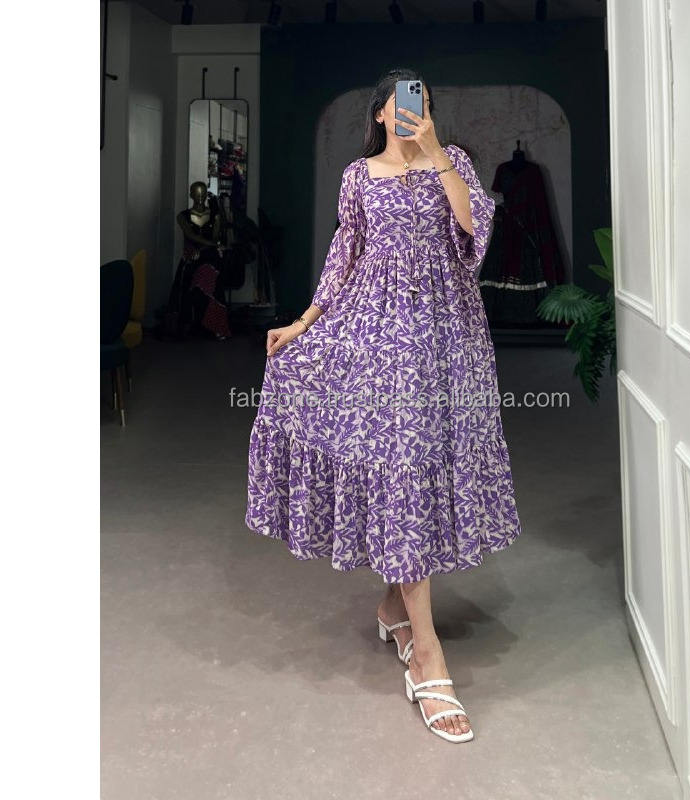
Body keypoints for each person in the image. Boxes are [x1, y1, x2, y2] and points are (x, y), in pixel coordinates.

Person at [245, 68, 522, 743]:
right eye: (400, 105)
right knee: (400, 474)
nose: (410, 113)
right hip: (376, 339)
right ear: (378, 114)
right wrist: (303, 323)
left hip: (446, 341)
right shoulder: (358, 177)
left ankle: (396, 610)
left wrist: (435, 152)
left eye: (421, 104)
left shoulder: (451, 164)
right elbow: (344, 259)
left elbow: (473, 230)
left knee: (421, 471)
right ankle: (428, 656)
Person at [165, 181, 232, 341]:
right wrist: (211, 245)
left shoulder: (215, 216)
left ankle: (213, 326)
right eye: (196, 193)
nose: (200, 197)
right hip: (191, 256)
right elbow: (190, 235)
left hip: (209, 257)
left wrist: (211, 246)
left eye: (202, 193)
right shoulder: (183, 216)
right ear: (191, 195)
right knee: (186, 286)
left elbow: (215, 237)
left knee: (211, 284)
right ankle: (187, 325)